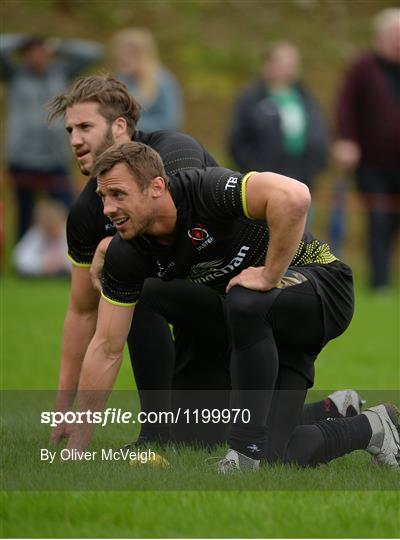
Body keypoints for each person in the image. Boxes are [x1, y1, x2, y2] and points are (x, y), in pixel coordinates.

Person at [47, 75, 363, 450]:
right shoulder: (89, 215)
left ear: (119, 127)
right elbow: (86, 316)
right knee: (201, 435)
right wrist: (68, 414)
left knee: (242, 307)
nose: (75, 140)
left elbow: (291, 197)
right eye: (69, 130)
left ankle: (166, 434)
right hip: (222, 304)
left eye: (84, 126)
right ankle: (334, 412)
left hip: (291, 289)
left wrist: (270, 274)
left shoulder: (178, 162)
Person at [64, 141, 399, 472]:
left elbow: (295, 195)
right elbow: (106, 347)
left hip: (322, 287)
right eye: (103, 197)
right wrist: (75, 449)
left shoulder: (205, 190)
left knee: (246, 299)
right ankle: (367, 424)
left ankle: (244, 454)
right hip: (256, 320)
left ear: (156, 187)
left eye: (118, 195)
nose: (107, 209)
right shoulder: (127, 252)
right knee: (259, 449)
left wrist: (270, 274)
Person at [0, 33, 103, 240]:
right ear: (25, 54)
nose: (37, 56)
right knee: (24, 213)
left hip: (55, 158)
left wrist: (59, 45)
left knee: (69, 208)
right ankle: (24, 260)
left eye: (41, 51)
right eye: (32, 52)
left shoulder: (61, 74)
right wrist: (20, 41)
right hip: (21, 158)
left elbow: (94, 53)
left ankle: (73, 251)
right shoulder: (13, 75)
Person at [333, 8, 400, 291]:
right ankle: (380, 282)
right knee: (379, 221)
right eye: (394, 36)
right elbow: (345, 107)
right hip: (372, 164)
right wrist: (347, 140)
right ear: (380, 37)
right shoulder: (363, 68)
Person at [228, 41, 328, 192]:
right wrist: (256, 171)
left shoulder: (305, 97)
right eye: (284, 63)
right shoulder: (252, 98)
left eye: (293, 64)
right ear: (269, 64)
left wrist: (314, 169)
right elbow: (238, 140)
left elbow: (320, 134)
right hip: (263, 184)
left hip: (302, 182)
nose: (290, 69)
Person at [111, 28, 183, 132]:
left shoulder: (162, 81)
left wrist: (128, 123)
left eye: (130, 55)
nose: (124, 60)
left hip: (156, 143)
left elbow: (170, 122)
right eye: (121, 55)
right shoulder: (122, 79)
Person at [13, 199, 70, 277]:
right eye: (48, 229)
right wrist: (42, 265)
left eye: (55, 227)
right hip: (39, 273)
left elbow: (79, 259)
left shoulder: (68, 234)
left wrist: (62, 263)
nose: (52, 232)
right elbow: (19, 259)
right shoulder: (36, 234)